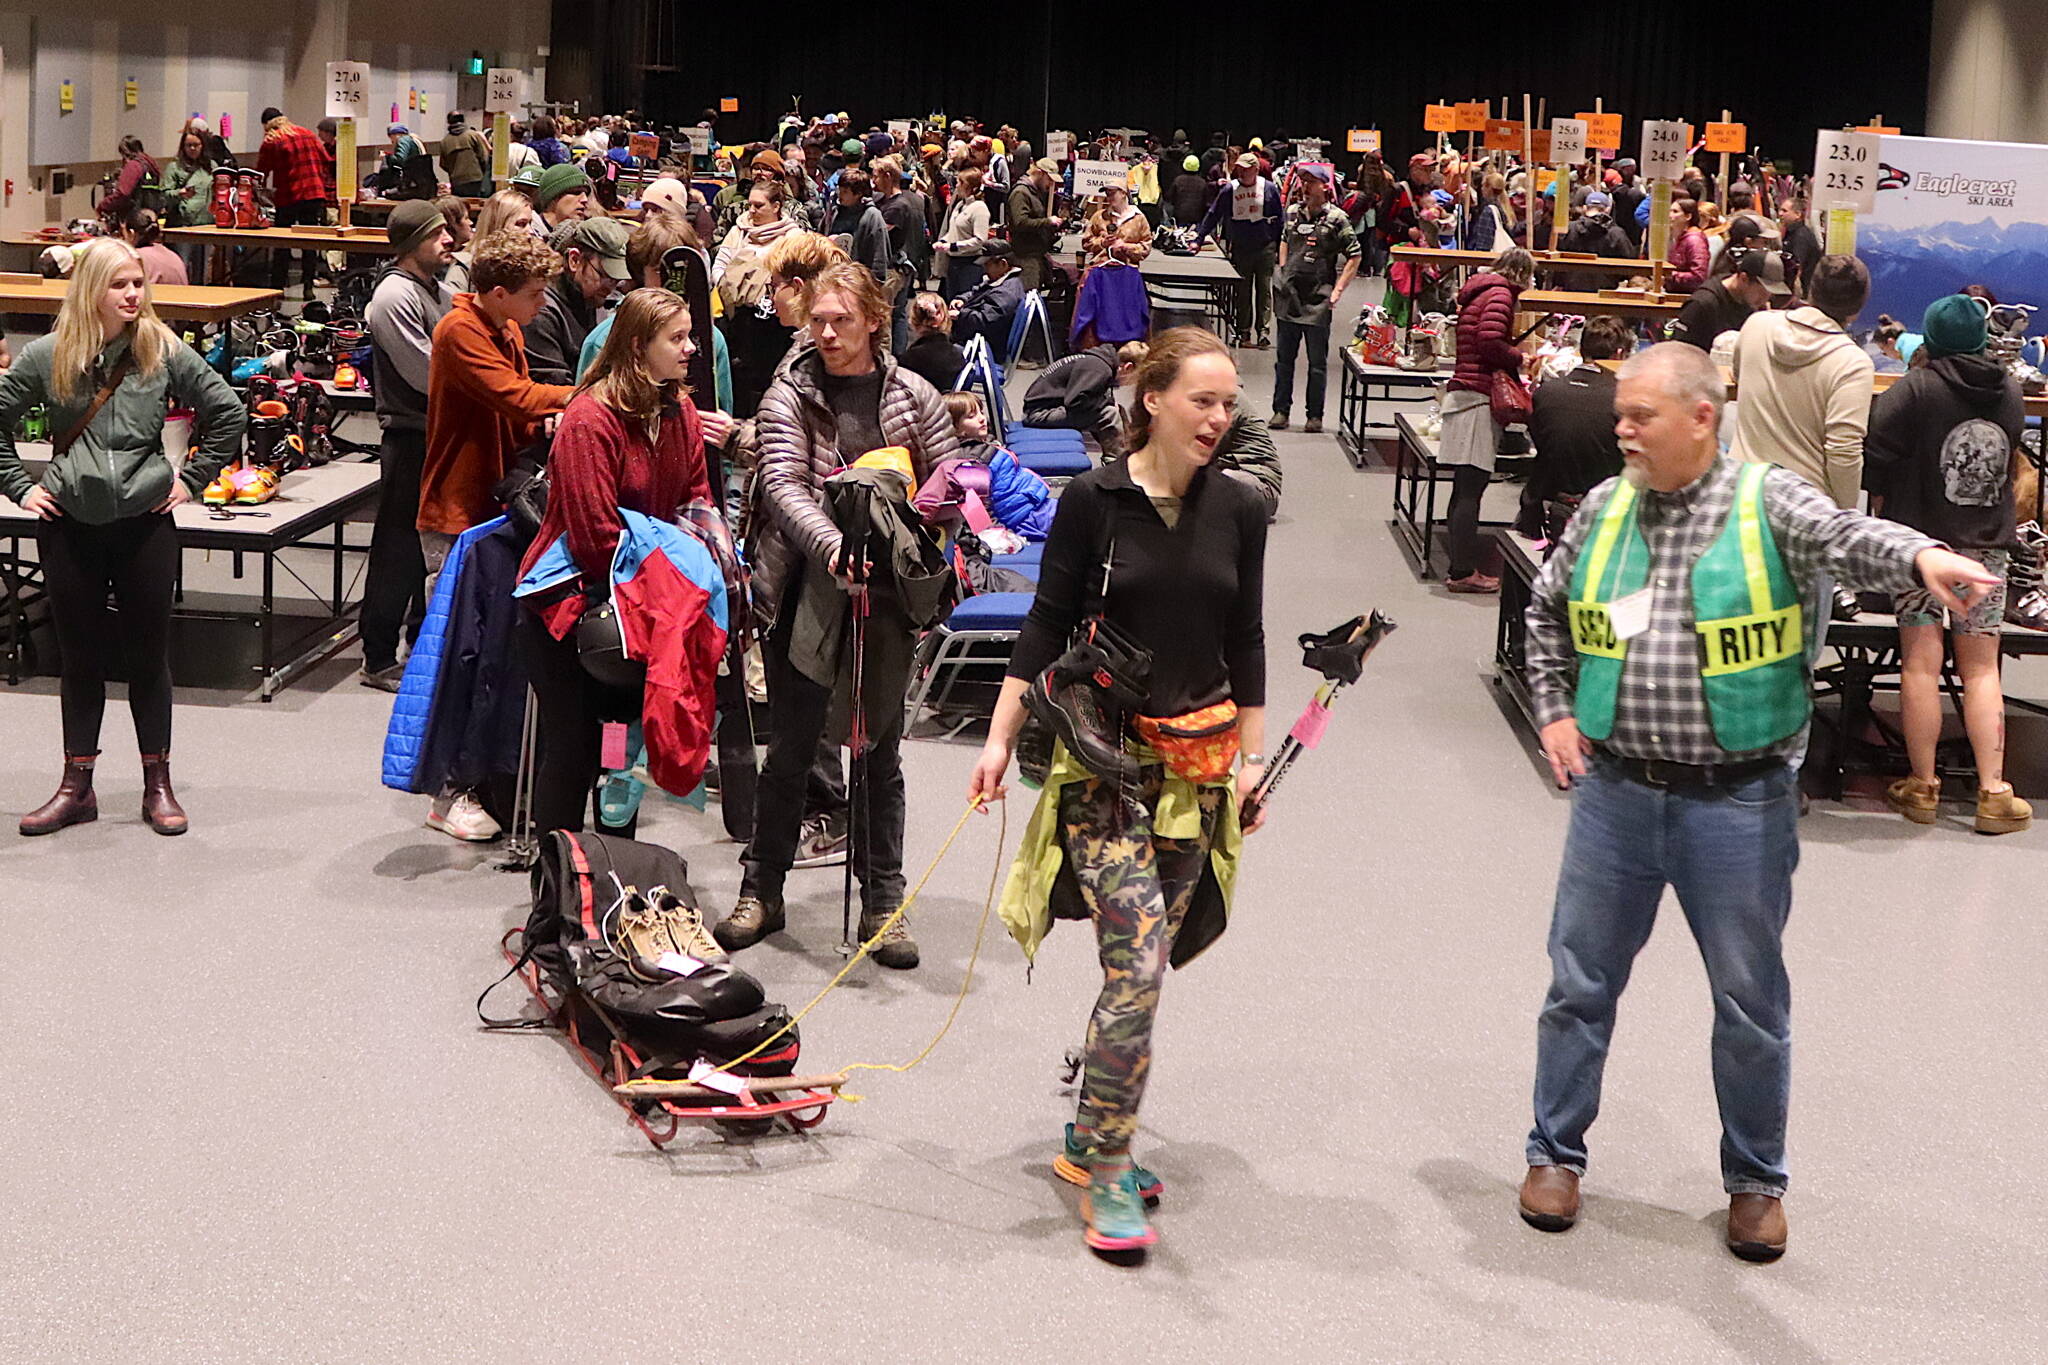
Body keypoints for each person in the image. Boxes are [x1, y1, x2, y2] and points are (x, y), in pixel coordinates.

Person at [1517, 341, 1998, 1263]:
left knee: (1748, 1000)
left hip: (1736, 803)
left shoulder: (1765, 500)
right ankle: (1554, 1153)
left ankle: (1755, 1182)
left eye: (1640, 415)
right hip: (1615, 794)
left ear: (1702, 418)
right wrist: (1552, 712)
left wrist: (1923, 553)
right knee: (1578, 987)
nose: (1620, 427)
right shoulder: (1603, 508)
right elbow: (1546, 613)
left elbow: (1850, 535)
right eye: (1620, 410)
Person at [969, 327, 1269, 1259]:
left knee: (1139, 968)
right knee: (1136, 967)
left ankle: (1090, 1128)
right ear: (1152, 398)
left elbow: (1247, 638)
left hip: (1197, 771)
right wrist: (998, 737)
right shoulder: (1094, 502)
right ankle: (1107, 1161)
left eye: (1228, 404)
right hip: (1102, 770)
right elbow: (1045, 624)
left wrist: (1249, 760)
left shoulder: (1243, 509)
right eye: (1203, 401)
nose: (1219, 419)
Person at [718, 261, 962, 969]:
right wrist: (834, 549)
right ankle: (762, 890)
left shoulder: (914, 394)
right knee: (792, 749)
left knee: (879, 753)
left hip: (887, 600)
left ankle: (883, 900)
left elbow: (947, 485)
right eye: (817, 321)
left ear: (873, 321)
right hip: (805, 589)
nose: (825, 332)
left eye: (840, 321)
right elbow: (785, 485)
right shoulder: (789, 393)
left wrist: (915, 540)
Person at [0, 239, 244, 837]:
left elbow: (228, 411)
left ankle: (156, 784)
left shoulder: (162, 350)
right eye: (119, 285)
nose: (133, 294)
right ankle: (75, 787)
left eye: (138, 283)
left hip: (145, 526)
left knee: (146, 656)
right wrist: (19, 486)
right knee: (79, 658)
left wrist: (190, 480)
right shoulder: (47, 355)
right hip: (69, 526)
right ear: (92, 291)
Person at [514, 288, 731, 834]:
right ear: (638, 346)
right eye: (676, 339)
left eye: (689, 337)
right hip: (573, 608)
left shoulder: (680, 409)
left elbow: (696, 504)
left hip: (645, 603)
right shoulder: (589, 418)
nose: (689, 350)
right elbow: (593, 536)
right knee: (576, 751)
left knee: (622, 758)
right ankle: (559, 889)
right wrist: (671, 576)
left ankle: (618, 882)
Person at [1865, 295, 2032, 834]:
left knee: (1921, 664)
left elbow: (1875, 453)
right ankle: (1992, 792)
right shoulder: (2009, 389)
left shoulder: (1915, 387)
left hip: (1922, 549)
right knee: (1982, 667)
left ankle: (1922, 786)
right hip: (1986, 548)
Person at [359, 201, 457, 692]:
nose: (448, 239)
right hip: (409, 434)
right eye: (436, 233)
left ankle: (417, 647)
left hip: (436, 432)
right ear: (410, 242)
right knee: (398, 549)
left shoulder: (436, 289)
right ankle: (376, 657)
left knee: (426, 551)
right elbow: (427, 372)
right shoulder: (394, 297)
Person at [1731, 255, 1875, 511]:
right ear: (1857, 309)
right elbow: (1843, 452)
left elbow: (1739, 378)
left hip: (1740, 492)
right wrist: (1846, 514)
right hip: (1806, 509)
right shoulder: (1852, 362)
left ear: (1810, 289)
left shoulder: (1756, 326)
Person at [1437, 247, 1533, 593]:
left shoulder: (1480, 291)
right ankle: (1463, 572)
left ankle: (1459, 567)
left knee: (1463, 488)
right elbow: (1490, 340)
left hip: (1463, 392)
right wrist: (1519, 357)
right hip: (1478, 397)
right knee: (1471, 490)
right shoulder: (1501, 294)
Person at [1521, 316, 1634, 540]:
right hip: (1606, 516)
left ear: (1581, 349)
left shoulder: (1546, 393)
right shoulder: (1624, 400)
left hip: (1541, 509)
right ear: (1620, 355)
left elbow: (1540, 444)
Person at [1269, 166, 1361, 436]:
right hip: (1289, 296)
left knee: (1316, 363)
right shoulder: (1292, 212)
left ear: (1325, 186)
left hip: (1318, 298)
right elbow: (1284, 239)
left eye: (1312, 182)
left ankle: (1315, 416)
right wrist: (1283, 269)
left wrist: (1338, 290)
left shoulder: (1337, 218)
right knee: (1284, 359)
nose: (1305, 187)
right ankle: (1281, 410)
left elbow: (1355, 255)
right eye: (1303, 181)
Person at [526, 217, 631, 384]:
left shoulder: (593, 297)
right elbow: (555, 389)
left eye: (617, 279)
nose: (611, 287)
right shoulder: (541, 312)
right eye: (605, 275)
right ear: (574, 260)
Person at [1196, 153, 1282, 349]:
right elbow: (1213, 214)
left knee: (1264, 290)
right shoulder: (1230, 189)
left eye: (1246, 168)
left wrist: (1278, 246)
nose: (1241, 171)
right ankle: (1243, 331)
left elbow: (1279, 217)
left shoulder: (1268, 189)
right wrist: (1199, 238)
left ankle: (1263, 332)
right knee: (1242, 292)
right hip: (1242, 247)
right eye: (1239, 168)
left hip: (1265, 247)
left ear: (1256, 170)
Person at [256, 110, 333, 295]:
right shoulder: (307, 133)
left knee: (283, 243)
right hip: (314, 193)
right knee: (309, 242)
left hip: (289, 195)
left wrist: (259, 192)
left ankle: (277, 286)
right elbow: (325, 159)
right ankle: (308, 286)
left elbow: (261, 172)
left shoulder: (271, 140)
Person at [1023, 340, 1146, 453]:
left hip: (1051, 407)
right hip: (1038, 413)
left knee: (1118, 410)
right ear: (1128, 367)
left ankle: (1131, 452)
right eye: (1137, 377)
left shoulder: (1102, 363)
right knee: (1110, 413)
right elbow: (1076, 403)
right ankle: (1117, 464)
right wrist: (1104, 403)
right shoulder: (1099, 369)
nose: (1134, 383)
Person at [1667, 248, 1788, 353]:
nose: (1765, 299)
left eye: (1770, 294)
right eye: (1762, 292)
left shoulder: (1751, 304)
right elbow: (1677, 352)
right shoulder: (1703, 304)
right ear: (1743, 278)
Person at [873, 157, 931, 352]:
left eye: (876, 176)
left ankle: (887, 362)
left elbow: (878, 233)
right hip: (898, 267)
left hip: (891, 271)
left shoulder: (898, 206)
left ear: (888, 177)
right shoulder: (886, 201)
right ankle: (897, 358)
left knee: (883, 319)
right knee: (896, 316)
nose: (874, 181)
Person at [949, 244, 1027, 364]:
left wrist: (960, 315)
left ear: (1003, 264)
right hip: (978, 340)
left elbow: (986, 321)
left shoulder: (1005, 293)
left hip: (984, 349)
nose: (984, 268)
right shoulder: (1001, 282)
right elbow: (978, 291)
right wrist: (963, 299)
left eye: (988, 264)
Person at [450, 190, 534, 292]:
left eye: (530, 223)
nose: (530, 231)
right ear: (497, 224)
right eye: (521, 224)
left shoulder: (530, 265)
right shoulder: (464, 268)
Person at [823, 167, 891, 285]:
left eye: (845, 192)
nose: (840, 195)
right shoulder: (834, 212)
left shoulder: (872, 216)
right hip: (833, 278)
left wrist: (875, 283)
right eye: (840, 190)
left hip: (859, 282)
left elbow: (879, 253)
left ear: (858, 194)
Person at [1007, 158, 1062, 294]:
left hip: (1036, 255)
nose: (1051, 184)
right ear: (1039, 173)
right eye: (1049, 179)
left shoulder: (1034, 192)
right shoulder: (1021, 193)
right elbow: (1020, 222)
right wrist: (1048, 222)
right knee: (1028, 298)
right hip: (1025, 257)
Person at [935, 165, 990, 300]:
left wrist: (953, 246)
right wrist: (943, 242)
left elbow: (980, 240)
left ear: (973, 187)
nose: (957, 185)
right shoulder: (960, 205)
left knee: (964, 304)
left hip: (970, 265)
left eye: (961, 182)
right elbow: (953, 231)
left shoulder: (979, 208)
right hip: (953, 263)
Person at [897, 291, 968, 392]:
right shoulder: (958, 356)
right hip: (949, 405)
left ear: (912, 321)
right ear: (945, 319)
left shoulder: (908, 359)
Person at [98, 136, 160, 229]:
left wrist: (103, 206)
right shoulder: (151, 165)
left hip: (133, 220)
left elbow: (123, 193)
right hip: (150, 217)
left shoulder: (133, 165)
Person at [120, 209, 188, 287]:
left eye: (123, 233)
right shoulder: (168, 252)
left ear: (131, 234)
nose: (122, 239)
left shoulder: (137, 258)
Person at [440, 112, 493, 198]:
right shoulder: (472, 135)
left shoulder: (445, 141)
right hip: (476, 179)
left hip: (457, 181)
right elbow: (483, 157)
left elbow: (443, 164)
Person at [1664, 197, 1711, 292]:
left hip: (1687, 296)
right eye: (1669, 211)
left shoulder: (1694, 240)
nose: (1670, 215)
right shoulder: (1679, 237)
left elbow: (1699, 276)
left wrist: (1669, 275)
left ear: (1688, 217)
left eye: (1675, 211)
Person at [533, 165, 594, 236]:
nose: (585, 199)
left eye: (586, 194)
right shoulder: (528, 235)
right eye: (576, 192)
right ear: (553, 197)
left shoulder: (583, 237)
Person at [1167, 154, 1211, 227]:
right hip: (1197, 217)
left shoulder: (1178, 180)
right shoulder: (1202, 182)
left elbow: (1170, 197)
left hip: (1180, 216)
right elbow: (1206, 200)